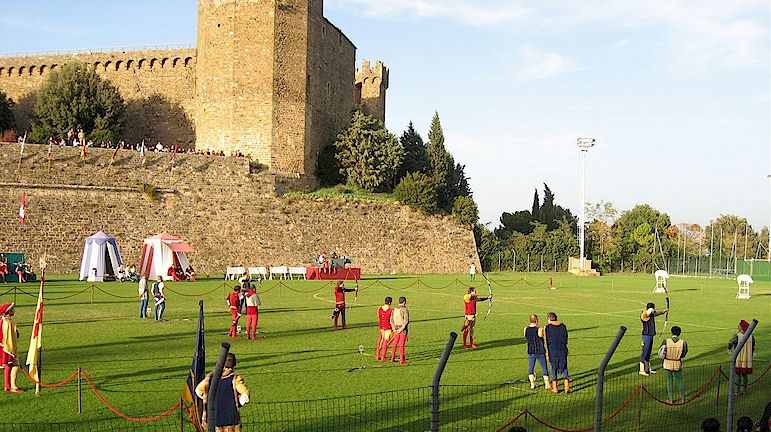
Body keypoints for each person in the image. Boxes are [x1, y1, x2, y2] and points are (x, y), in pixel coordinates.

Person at [195, 352, 250, 431]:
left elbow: (198, 390)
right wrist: (237, 402)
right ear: (234, 363)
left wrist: (207, 398)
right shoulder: (236, 378)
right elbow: (245, 397)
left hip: (212, 419)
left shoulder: (210, 377)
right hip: (231, 419)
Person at [659, 326, 688, 404]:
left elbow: (661, 351)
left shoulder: (666, 341)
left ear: (671, 332)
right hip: (677, 363)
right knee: (680, 381)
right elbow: (684, 353)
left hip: (667, 363)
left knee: (669, 381)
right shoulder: (683, 342)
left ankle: (671, 399)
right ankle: (683, 399)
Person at [727, 319, 755, 395]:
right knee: (744, 375)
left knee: (737, 374)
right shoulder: (751, 337)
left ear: (742, 327)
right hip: (747, 359)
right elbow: (753, 348)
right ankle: (744, 390)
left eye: (739, 325)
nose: (738, 326)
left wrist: (730, 351)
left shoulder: (737, 336)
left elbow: (730, 343)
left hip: (738, 358)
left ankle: (737, 391)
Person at [640, 302, 668, 376]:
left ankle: (648, 369)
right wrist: (652, 310)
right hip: (646, 335)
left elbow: (657, 313)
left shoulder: (651, 313)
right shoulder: (644, 314)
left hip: (651, 335)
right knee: (645, 352)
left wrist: (664, 311)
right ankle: (642, 370)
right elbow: (649, 312)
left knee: (648, 352)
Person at [544, 312, 570, 394]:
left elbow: (547, 341)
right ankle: (567, 387)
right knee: (565, 366)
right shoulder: (563, 326)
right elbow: (566, 338)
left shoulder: (548, 327)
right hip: (562, 348)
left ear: (549, 319)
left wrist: (547, 352)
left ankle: (555, 388)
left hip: (553, 349)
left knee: (554, 368)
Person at [0, 302, 23, 392]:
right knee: (15, 365)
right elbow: (9, 337)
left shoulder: (4, 320)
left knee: (8, 366)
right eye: (12, 309)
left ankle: (7, 386)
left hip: (4, 346)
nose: (14, 311)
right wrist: (11, 350)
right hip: (7, 347)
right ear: (8, 311)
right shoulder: (7, 322)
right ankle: (13, 386)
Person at [524, 314, 550, 390]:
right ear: (536, 320)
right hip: (540, 351)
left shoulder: (526, 329)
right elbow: (544, 338)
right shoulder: (540, 329)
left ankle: (532, 384)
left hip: (531, 351)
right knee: (544, 367)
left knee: (531, 367)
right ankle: (547, 384)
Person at [390, 296, 409, 364]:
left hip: (395, 328)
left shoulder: (394, 309)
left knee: (395, 344)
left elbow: (391, 320)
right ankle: (402, 360)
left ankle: (392, 358)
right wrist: (401, 329)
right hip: (402, 329)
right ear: (404, 302)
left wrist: (393, 328)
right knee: (401, 345)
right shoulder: (404, 309)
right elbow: (406, 321)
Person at [375, 297, 393, 361]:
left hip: (381, 326)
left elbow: (378, 316)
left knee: (380, 340)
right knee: (386, 340)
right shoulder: (391, 310)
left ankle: (377, 355)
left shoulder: (379, 308)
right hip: (388, 327)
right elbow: (391, 320)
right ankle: (383, 357)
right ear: (390, 302)